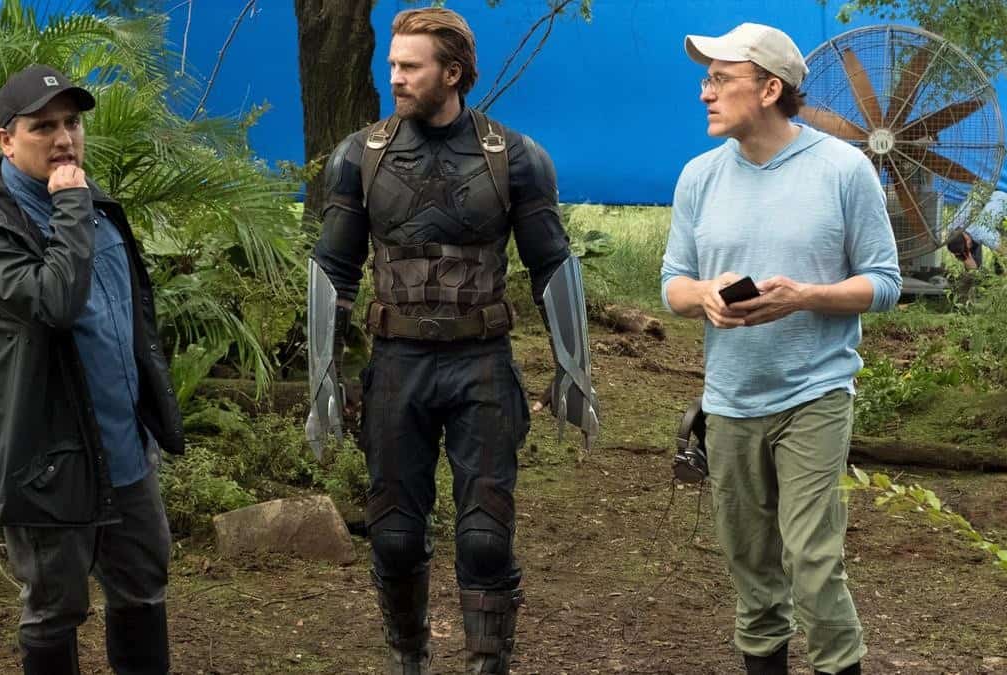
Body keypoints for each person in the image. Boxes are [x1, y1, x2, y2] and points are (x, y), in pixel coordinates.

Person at [306, 8, 597, 675]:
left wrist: (573, 370)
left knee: (486, 539)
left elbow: (552, 263)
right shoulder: (359, 157)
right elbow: (333, 268)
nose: (395, 77)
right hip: (397, 364)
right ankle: (407, 658)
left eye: (410, 66)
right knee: (395, 535)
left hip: (481, 364)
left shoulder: (514, 158)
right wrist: (325, 374)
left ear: (453, 73)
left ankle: (487, 665)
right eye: (392, 65)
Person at [0, 64, 184, 675]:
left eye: (72, 123)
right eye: (43, 127)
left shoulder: (96, 207)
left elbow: (130, 316)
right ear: (6, 140)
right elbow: (56, 302)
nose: (65, 139)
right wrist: (69, 205)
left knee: (143, 588)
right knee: (54, 610)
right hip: (48, 459)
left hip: (125, 449)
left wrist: (152, 408)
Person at [660, 23, 901, 675]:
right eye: (706, 79)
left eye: (720, 79)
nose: (705, 92)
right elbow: (673, 284)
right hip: (729, 400)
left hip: (814, 393)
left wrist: (804, 297)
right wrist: (705, 294)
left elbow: (884, 283)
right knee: (751, 570)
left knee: (813, 562)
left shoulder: (843, 170)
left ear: (770, 90)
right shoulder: (699, 177)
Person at [946, 189, 1006, 270]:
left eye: (967, 248)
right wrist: (965, 256)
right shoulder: (952, 227)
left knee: (1001, 255)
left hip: (1002, 197)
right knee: (971, 248)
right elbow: (957, 246)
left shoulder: (983, 234)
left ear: (967, 239)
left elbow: (1004, 250)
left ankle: (999, 270)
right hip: (986, 192)